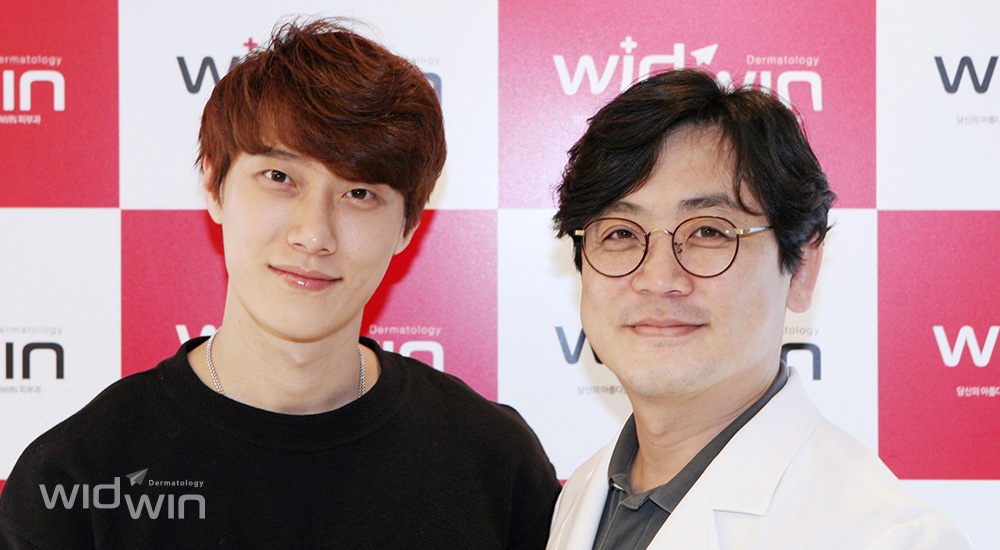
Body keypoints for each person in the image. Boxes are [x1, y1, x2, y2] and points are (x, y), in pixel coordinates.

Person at [0, 18, 559, 549]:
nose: (313, 234)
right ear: (214, 186)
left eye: (359, 193)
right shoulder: (77, 477)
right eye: (279, 177)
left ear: (408, 225)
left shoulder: (495, 462)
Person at [545, 69, 971, 549]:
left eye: (709, 231)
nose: (659, 280)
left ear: (801, 267)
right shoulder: (582, 495)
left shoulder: (888, 537)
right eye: (621, 233)